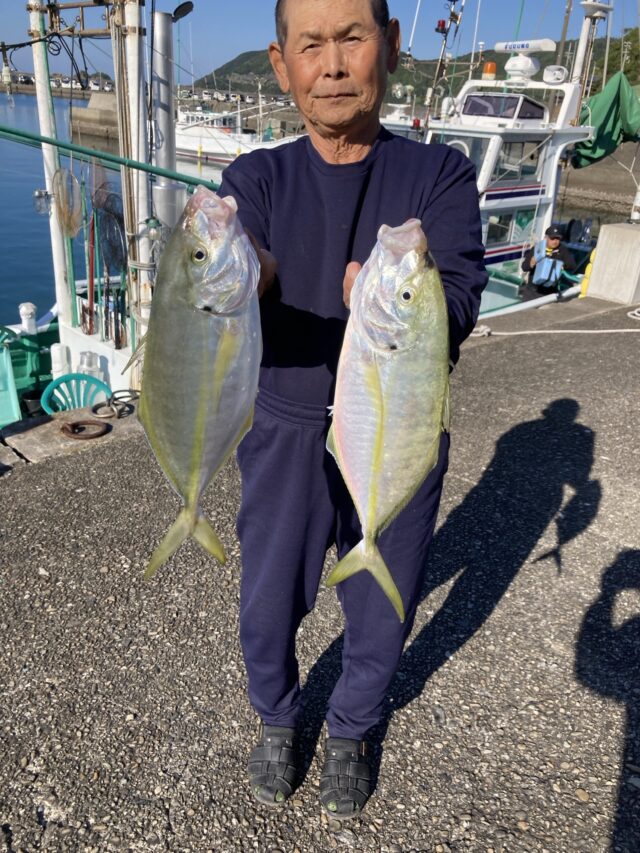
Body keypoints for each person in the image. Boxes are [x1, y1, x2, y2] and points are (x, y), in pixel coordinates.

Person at [218, 0, 487, 819]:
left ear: (391, 46)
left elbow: (461, 294)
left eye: (352, 38)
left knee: (381, 601)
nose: (332, 64)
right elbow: (248, 263)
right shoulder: (256, 178)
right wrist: (247, 267)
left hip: (399, 420)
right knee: (267, 597)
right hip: (284, 423)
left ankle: (352, 727)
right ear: (281, 65)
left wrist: (412, 290)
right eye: (311, 45)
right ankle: (276, 715)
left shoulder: (439, 174)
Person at [521, 224, 577, 294]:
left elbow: (572, 265)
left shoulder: (563, 250)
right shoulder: (537, 248)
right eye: (552, 238)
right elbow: (524, 267)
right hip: (533, 290)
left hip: (550, 291)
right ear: (546, 238)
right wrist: (531, 263)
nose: (555, 241)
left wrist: (562, 265)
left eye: (558, 238)